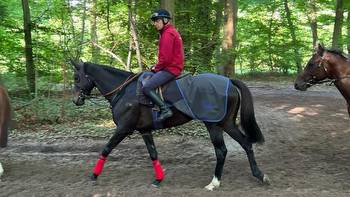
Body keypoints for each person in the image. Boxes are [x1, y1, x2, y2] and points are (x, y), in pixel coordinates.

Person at [142, 8, 185, 121]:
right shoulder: (170, 32)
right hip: (171, 67)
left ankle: (165, 109)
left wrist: (156, 68)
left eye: (157, 20)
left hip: (170, 69)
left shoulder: (168, 34)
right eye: (154, 21)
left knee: (147, 87)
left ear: (165, 20)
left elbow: (166, 59)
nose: (155, 23)